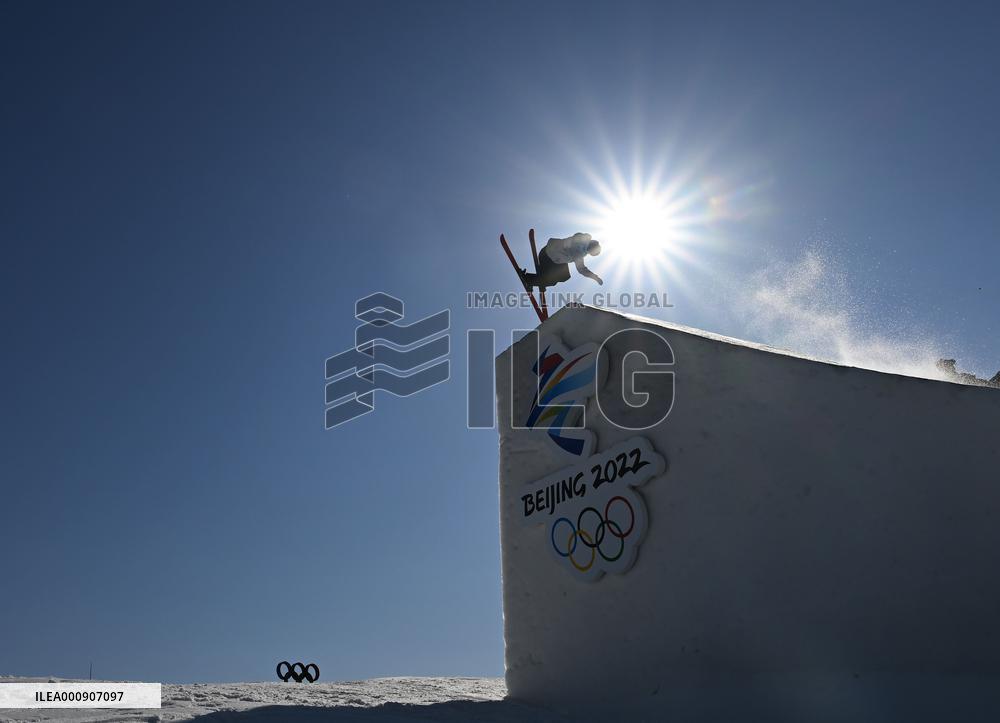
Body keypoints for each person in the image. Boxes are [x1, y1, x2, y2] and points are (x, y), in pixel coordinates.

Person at [520, 232, 603, 290]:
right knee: (562, 277)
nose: (588, 253)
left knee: (563, 277)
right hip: (547, 257)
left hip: (550, 257)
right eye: (591, 252)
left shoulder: (581, 250)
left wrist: (595, 277)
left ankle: (537, 280)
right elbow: (581, 269)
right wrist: (595, 277)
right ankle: (531, 279)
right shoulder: (579, 248)